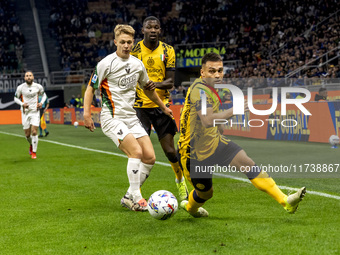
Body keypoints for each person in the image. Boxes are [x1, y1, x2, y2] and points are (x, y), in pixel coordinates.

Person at [178, 53, 306, 217]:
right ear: (202, 73)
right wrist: (234, 111)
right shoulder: (199, 91)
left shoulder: (210, 89)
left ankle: (285, 201)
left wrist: (220, 127)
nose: (217, 75)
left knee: (247, 162)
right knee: (206, 194)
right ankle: (191, 208)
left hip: (215, 142)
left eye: (220, 70)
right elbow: (207, 120)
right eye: (211, 71)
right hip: (193, 153)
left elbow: (209, 120)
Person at [83, 24, 173, 212]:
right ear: (115, 42)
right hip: (112, 118)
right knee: (136, 152)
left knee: (149, 157)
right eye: (122, 42)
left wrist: (163, 107)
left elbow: (149, 90)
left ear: (133, 42)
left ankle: (128, 196)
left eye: (129, 42)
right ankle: (138, 197)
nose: (126, 45)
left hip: (131, 118)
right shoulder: (106, 64)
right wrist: (86, 114)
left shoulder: (137, 64)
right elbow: (91, 88)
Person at [131, 16, 189, 201]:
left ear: (160, 30)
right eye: (149, 27)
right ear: (143, 30)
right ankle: (135, 192)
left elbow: (170, 82)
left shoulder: (168, 50)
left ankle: (180, 181)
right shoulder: (134, 50)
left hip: (162, 106)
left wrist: (151, 84)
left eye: (156, 27)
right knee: (140, 153)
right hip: (140, 107)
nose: (153, 30)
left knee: (170, 151)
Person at [14, 71, 47, 159]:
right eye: (27, 76)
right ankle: (31, 144)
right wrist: (22, 104)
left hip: (35, 112)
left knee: (34, 131)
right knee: (27, 135)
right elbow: (15, 98)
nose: (28, 77)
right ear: (24, 78)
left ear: (33, 77)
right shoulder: (20, 87)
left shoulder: (38, 86)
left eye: (30, 76)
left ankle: (34, 152)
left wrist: (41, 103)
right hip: (25, 112)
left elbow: (44, 96)